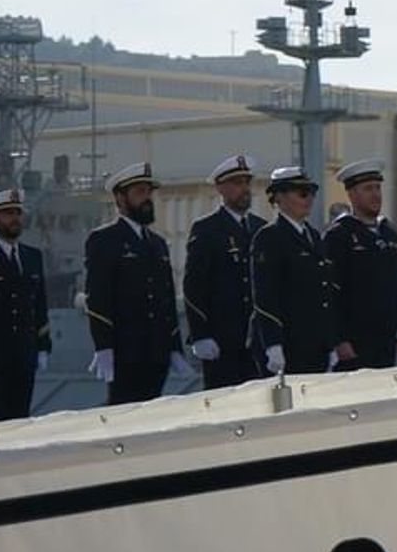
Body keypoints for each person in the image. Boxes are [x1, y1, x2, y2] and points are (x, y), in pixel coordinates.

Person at [84, 163, 189, 404]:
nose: (147, 198)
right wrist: (104, 347)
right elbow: (98, 297)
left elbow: (166, 298)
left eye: (149, 192)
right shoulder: (104, 240)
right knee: (123, 413)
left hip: (156, 351)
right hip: (125, 351)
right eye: (140, 192)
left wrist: (174, 346)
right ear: (120, 198)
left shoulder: (157, 243)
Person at [183, 154, 267, 389]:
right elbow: (194, 285)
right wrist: (199, 334)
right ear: (221, 188)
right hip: (222, 338)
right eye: (237, 184)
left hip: (256, 339)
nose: (244, 189)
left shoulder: (260, 228)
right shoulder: (207, 229)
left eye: (246, 183)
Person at [324, 159, 397, 370]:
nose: (375, 194)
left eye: (377, 188)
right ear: (352, 194)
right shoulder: (339, 235)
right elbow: (329, 293)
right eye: (367, 189)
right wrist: (339, 339)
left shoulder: (388, 233)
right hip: (354, 342)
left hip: (385, 339)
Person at [0, 189, 50, 422]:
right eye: (7, 213)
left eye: (17, 213)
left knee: (20, 419)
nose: (15, 218)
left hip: (24, 354)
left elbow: (39, 304)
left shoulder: (32, 257)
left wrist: (43, 344)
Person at [251, 167, 338, 375]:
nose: (308, 198)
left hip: (315, 344)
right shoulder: (269, 237)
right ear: (279, 197)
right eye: (301, 193)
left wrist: (330, 342)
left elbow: (324, 293)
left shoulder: (314, 236)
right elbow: (265, 294)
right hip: (287, 343)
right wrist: (273, 345)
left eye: (311, 192)